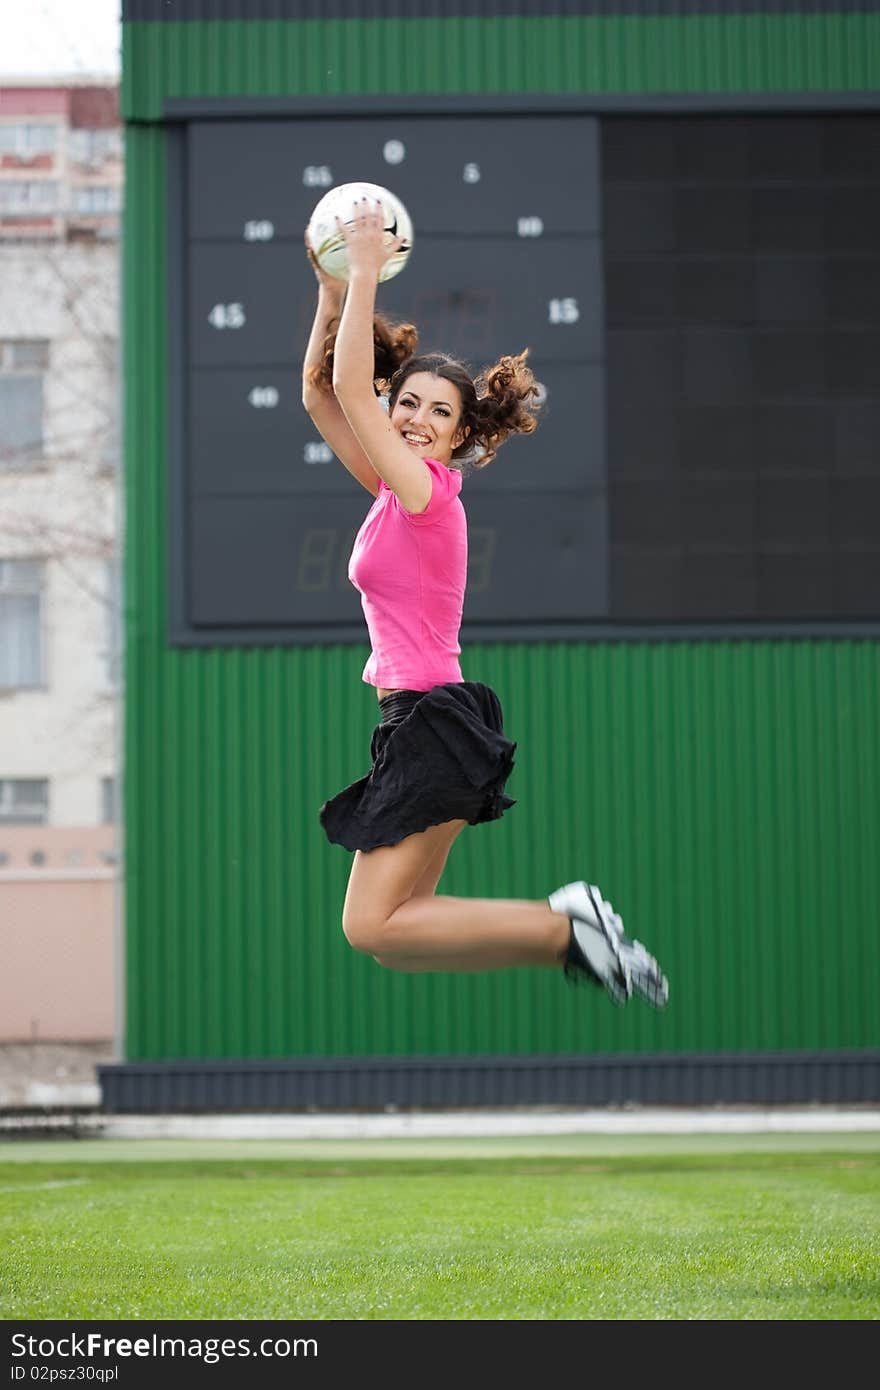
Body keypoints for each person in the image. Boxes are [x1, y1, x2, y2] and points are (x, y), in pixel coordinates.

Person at [301, 197, 668, 1009]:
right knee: (399, 926)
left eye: (441, 411)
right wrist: (332, 288)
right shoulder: (391, 491)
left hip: (433, 720)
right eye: (410, 404)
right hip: (421, 721)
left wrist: (364, 267)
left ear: (462, 435)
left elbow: (354, 395)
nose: (419, 419)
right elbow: (325, 395)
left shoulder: (428, 492)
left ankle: (564, 929)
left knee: (372, 929)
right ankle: (569, 936)